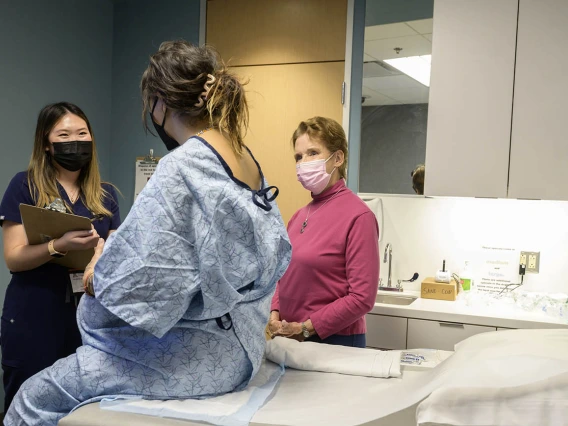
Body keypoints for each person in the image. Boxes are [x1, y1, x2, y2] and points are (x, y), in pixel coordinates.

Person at [5, 41, 291, 426]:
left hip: (194, 355)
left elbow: (135, 282)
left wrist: (98, 272)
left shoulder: (181, 167)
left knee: (31, 398)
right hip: (243, 347)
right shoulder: (245, 159)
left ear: (160, 102)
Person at [0, 102, 121, 413]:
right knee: (27, 405)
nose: (75, 141)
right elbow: (14, 258)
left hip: (87, 316)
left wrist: (105, 253)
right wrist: (59, 245)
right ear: (47, 143)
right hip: (34, 314)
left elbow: (114, 253)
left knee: (82, 409)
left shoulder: (105, 195)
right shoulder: (24, 185)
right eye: (64, 135)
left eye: (82, 133)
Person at [268, 117, 379, 348]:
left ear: (337, 158)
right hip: (291, 338)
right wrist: (275, 313)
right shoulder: (299, 216)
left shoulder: (359, 217)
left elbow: (362, 298)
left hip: (336, 342)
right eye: (298, 157)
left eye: (312, 153)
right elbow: (283, 274)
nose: (303, 163)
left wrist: (306, 329)